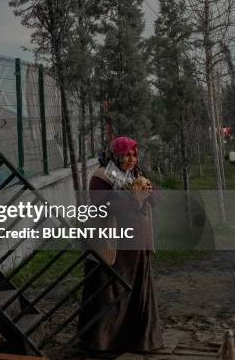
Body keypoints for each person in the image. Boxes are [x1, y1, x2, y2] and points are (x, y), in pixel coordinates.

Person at [79, 136, 163, 353]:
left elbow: (156, 198)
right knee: (111, 291)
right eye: (126, 154)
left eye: (133, 154)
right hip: (111, 246)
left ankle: (139, 341)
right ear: (115, 156)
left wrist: (149, 193)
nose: (131, 159)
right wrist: (133, 200)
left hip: (136, 246)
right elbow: (103, 206)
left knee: (137, 293)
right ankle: (105, 343)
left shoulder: (136, 175)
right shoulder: (101, 177)